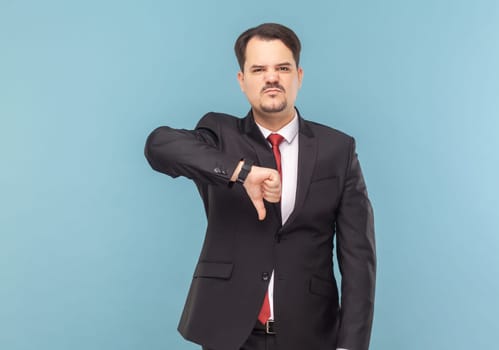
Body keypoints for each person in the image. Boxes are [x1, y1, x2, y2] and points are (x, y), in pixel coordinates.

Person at [145, 23, 375, 350]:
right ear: (242, 80)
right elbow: (159, 146)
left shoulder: (338, 148)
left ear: (299, 75)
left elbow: (359, 262)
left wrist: (351, 346)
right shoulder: (219, 134)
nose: (271, 77)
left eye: (282, 68)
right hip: (230, 335)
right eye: (258, 69)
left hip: (310, 336)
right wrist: (240, 172)